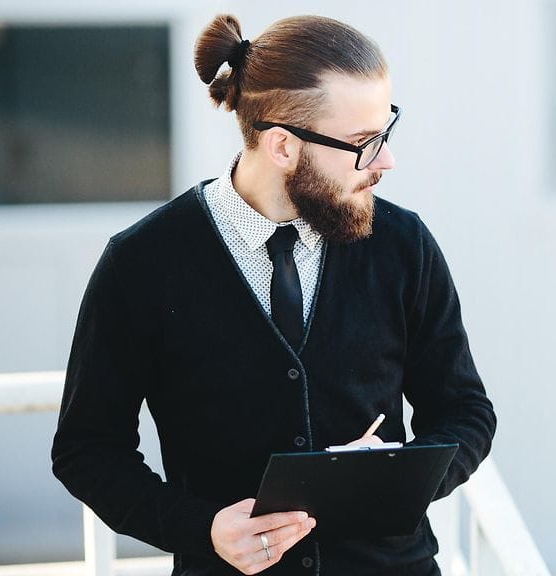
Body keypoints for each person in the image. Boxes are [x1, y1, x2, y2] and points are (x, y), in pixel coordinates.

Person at [51, 13, 495, 576]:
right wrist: (203, 528)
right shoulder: (141, 263)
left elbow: (465, 411)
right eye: (364, 143)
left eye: (387, 131)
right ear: (282, 146)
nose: (386, 162)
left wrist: (394, 476)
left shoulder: (405, 245)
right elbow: (86, 451)